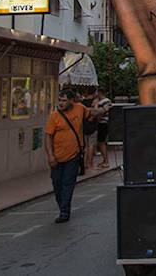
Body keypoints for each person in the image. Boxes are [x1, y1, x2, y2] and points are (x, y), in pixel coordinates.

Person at [45, 89, 103, 223]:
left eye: (64, 100)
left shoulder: (79, 109)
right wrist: (50, 156)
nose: (61, 103)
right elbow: (48, 137)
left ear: (71, 101)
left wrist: (103, 109)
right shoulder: (54, 117)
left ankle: (65, 211)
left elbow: (91, 113)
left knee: (68, 183)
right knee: (57, 184)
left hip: (74, 155)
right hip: (57, 157)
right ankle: (63, 206)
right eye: (59, 100)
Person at [93, 88, 112, 169]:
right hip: (100, 123)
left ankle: (106, 161)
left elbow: (99, 112)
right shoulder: (99, 101)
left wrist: (96, 106)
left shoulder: (106, 101)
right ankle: (104, 160)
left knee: (102, 142)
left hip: (103, 123)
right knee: (100, 142)